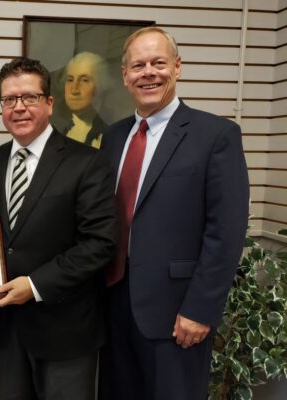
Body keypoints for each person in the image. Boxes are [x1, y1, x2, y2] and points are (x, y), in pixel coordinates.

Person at [98, 27, 249, 400]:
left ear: (177, 68)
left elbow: (225, 232)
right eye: (138, 65)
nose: (148, 72)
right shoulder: (114, 137)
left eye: (158, 63)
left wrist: (200, 309)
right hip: (113, 305)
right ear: (125, 76)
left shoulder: (216, 135)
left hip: (177, 314)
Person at [0, 58, 117, 399]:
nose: (19, 107)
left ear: (49, 103)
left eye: (29, 97)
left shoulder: (87, 162)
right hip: (7, 328)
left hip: (65, 329)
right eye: (9, 99)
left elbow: (99, 243)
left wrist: (35, 284)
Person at [52, 52, 111, 149]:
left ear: (100, 86)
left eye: (84, 80)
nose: (74, 90)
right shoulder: (56, 131)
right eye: (70, 80)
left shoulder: (108, 136)